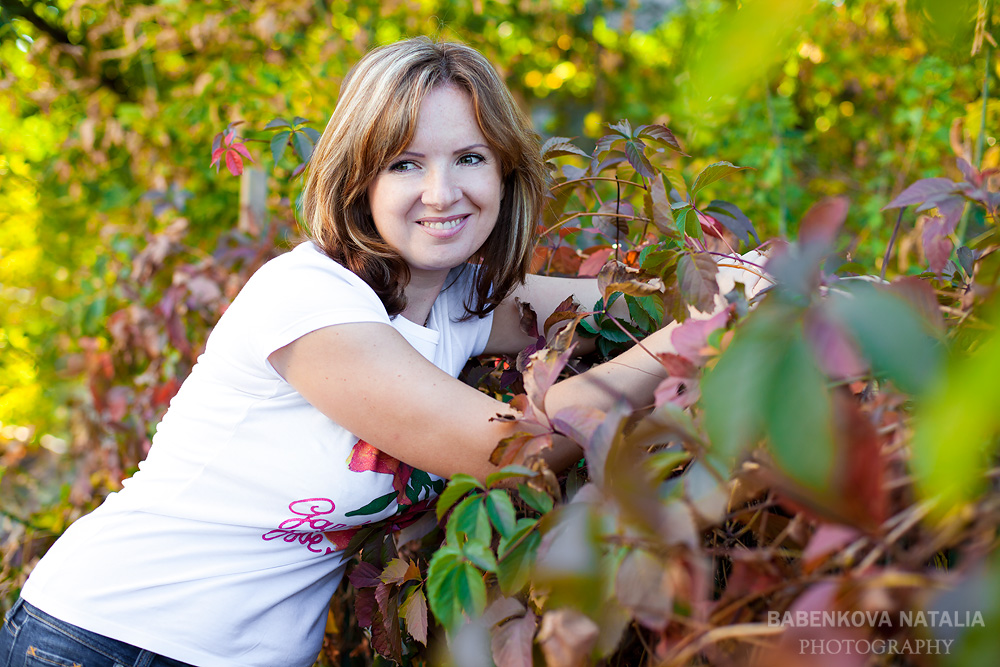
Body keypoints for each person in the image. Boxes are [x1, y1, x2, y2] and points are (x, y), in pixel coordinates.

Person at [1, 37, 764, 667]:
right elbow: (506, 447)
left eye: (470, 158)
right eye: (405, 163)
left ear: (505, 169)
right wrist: (704, 337)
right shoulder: (308, 300)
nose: (443, 191)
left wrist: (768, 281)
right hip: (104, 638)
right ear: (358, 179)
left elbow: (641, 301)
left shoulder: (465, 297)